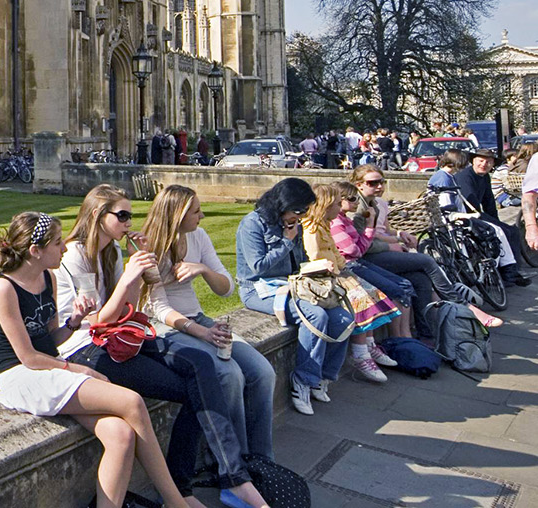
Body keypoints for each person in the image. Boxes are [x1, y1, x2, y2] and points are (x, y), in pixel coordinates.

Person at [56, 185, 270, 507]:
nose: (129, 222)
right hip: (87, 348)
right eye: (123, 215)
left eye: (130, 215)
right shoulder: (71, 257)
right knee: (196, 386)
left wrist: (141, 272)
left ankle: (233, 478)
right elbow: (94, 320)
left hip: (121, 336)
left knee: (201, 366)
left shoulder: (111, 252)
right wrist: (130, 276)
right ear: (100, 216)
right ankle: (186, 490)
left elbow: (127, 307)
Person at [0, 211, 198, 508]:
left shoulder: (47, 278)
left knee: (121, 434)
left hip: (49, 369)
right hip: (21, 377)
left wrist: (73, 322)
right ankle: (176, 502)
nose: (65, 247)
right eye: (57, 243)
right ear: (35, 251)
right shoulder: (3, 288)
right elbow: (27, 357)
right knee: (131, 402)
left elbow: (49, 339)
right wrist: (77, 368)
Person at [141, 185, 277, 475]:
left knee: (262, 372)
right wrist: (200, 332)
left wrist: (202, 270)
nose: (201, 215)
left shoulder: (198, 236)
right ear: (176, 215)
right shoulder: (148, 247)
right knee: (229, 375)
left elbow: (227, 288)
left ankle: (262, 458)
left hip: (198, 318)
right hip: (167, 328)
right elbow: (158, 309)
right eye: (195, 211)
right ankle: (232, 464)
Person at [237, 178, 353, 416]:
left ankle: (323, 377)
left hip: (293, 284)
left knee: (343, 317)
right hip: (258, 289)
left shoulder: (293, 223)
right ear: (282, 204)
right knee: (315, 315)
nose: (301, 217)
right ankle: (303, 380)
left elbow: (299, 264)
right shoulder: (252, 224)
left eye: (304, 212)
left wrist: (318, 268)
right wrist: (286, 242)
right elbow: (258, 267)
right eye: (299, 211)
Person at [352, 162, 502, 335]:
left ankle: (426, 332)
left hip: (382, 251)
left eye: (381, 182)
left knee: (421, 279)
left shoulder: (376, 203)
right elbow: (364, 244)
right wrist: (392, 245)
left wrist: (401, 234)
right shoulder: (358, 208)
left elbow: (384, 230)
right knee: (426, 261)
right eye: (372, 183)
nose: (379, 186)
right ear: (359, 185)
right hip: (367, 258)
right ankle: (463, 304)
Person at [307, 181, 409, 383]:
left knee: (371, 294)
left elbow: (342, 254)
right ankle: (361, 354)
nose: (343, 207)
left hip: (341, 269)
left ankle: (369, 346)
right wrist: (368, 228)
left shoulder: (329, 224)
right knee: (361, 297)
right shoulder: (321, 227)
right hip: (328, 276)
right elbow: (349, 252)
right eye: (338, 203)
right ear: (326, 206)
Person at [453, 148, 530, 287]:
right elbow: (471, 204)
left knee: (511, 230)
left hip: (475, 213)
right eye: (480, 161)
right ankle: (508, 274)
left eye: (488, 162)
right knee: (504, 232)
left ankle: (512, 272)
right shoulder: (465, 176)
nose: (484, 164)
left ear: (493, 164)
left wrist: (497, 221)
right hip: (465, 215)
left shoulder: (484, 177)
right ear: (473, 161)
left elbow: (489, 203)